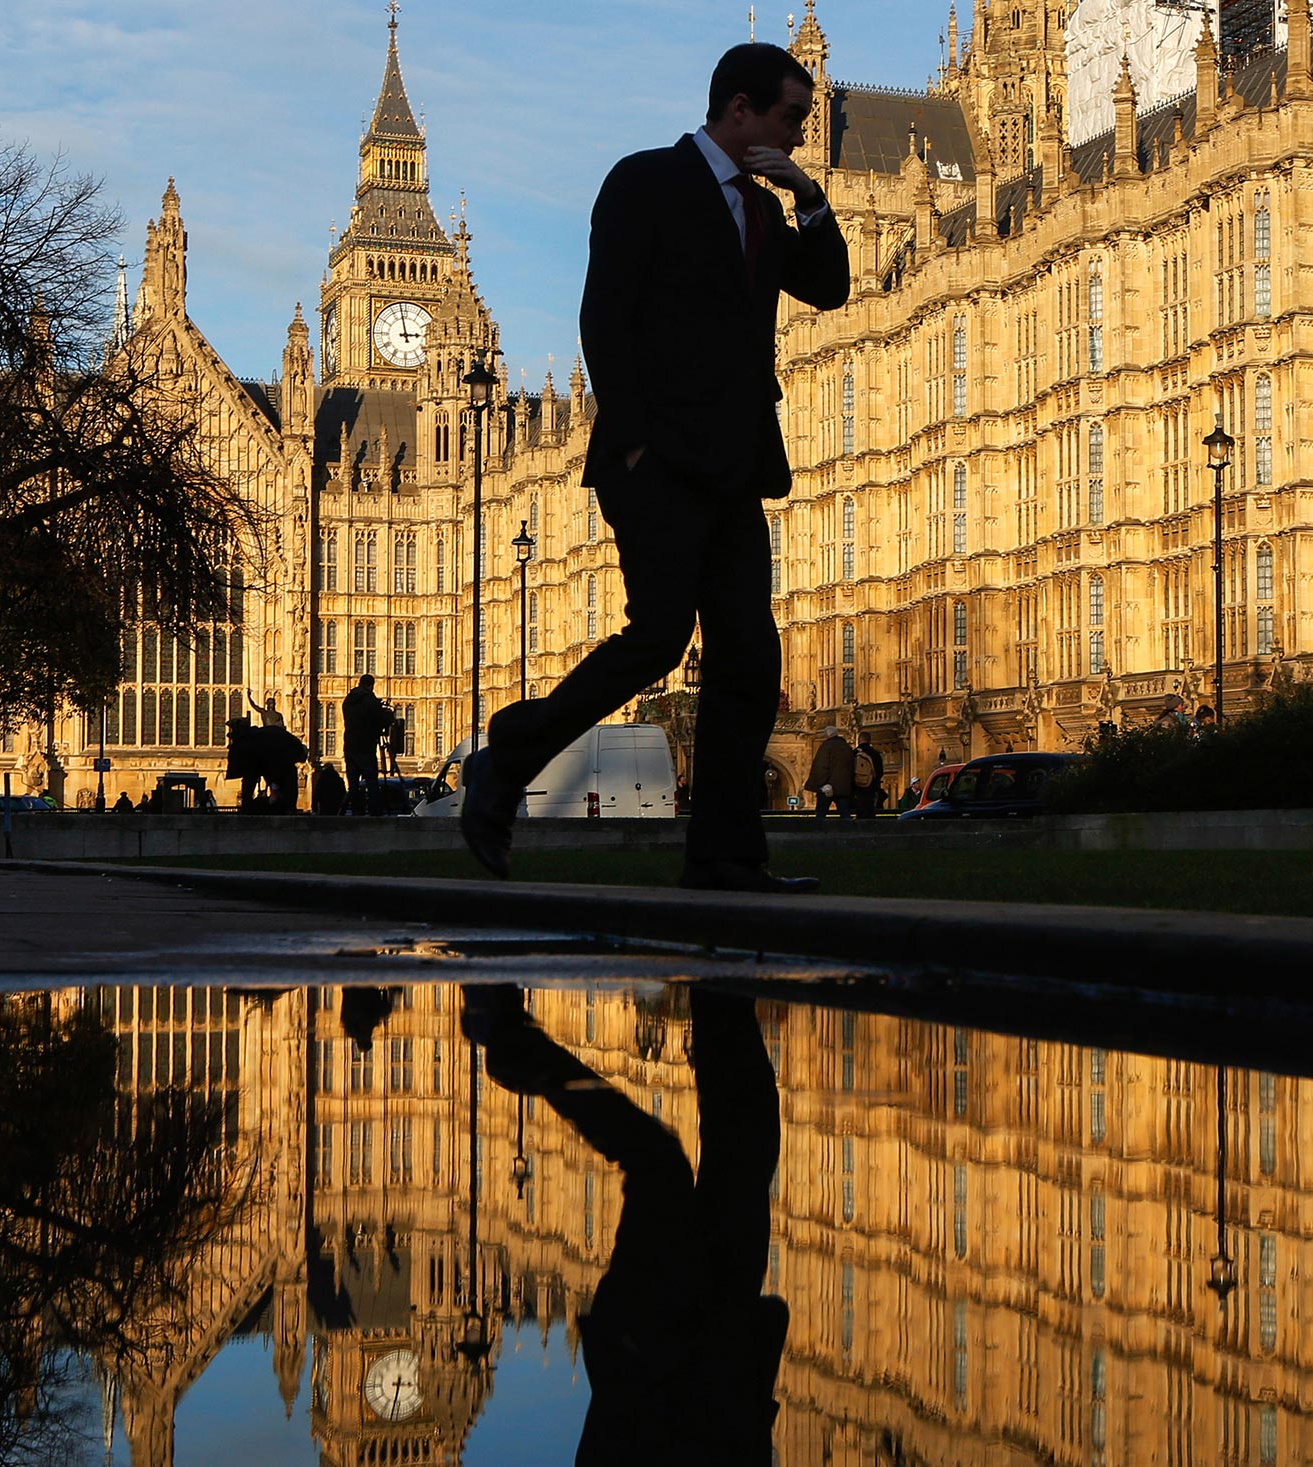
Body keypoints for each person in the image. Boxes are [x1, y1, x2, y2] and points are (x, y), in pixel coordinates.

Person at [459, 41, 848, 894]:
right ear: (738, 109)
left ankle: (724, 857)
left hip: (737, 466)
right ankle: (507, 757)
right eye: (789, 117)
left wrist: (810, 196)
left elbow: (830, 289)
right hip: (659, 461)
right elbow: (606, 312)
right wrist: (632, 439)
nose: (797, 133)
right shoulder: (645, 180)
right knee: (659, 638)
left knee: (749, 654)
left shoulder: (765, 210)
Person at [461, 984, 783, 1463]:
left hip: (661, 1342)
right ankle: (719, 995)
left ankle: (525, 1054)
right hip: (705, 1345)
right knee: (733, 1147)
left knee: (673, 1163)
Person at [343, 675, 391, 817]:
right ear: (371, 685)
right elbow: (381, 720)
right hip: (365, 746)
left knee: (353, 782)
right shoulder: (370, 701)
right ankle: (375, 811)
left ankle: (357, 811)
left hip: (350, 746)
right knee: (371, 780)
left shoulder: (348, 700)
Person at [804, 725, 854, 819]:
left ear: (827, 736)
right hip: (843, 787)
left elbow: (821, 766)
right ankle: (850, 831)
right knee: (845, 813)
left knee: (821, 814)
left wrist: (819, 784)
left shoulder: (826, 747)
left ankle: (820, 832)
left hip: (827, 787)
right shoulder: (847, 747)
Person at [851, 735, 884, 818]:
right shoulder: (875, 754)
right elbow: (880, 772)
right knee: (870, 810)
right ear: (869, 741)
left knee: (859, 809)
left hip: (857, 786)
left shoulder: (854, 753)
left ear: (859, 740)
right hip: (871, 786)